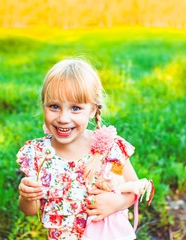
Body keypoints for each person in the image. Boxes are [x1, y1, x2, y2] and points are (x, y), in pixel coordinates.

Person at [16, 58, 141, 240]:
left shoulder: (109, 148)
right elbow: (29, 210)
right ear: (43, 105)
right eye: (54, 106)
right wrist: (27, 196)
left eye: (75, 108)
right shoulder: (39, 153)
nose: (63, 118)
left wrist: (117, 203)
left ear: (92, 110)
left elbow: (135, 189)